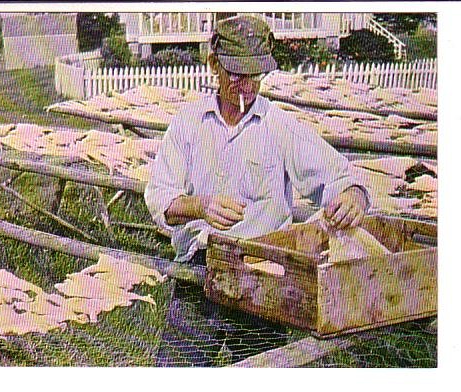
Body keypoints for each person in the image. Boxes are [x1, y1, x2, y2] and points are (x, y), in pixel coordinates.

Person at [144, 14, 370, 264]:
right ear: (213, 64)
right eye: (237, 74)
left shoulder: (278, 125)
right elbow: (160, 197)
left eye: (255, 75)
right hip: (201, 261)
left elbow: (340, 178)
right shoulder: (188, 123)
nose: (247, 86)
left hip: (264, 262)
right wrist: (200, 207)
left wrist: (353, 197)